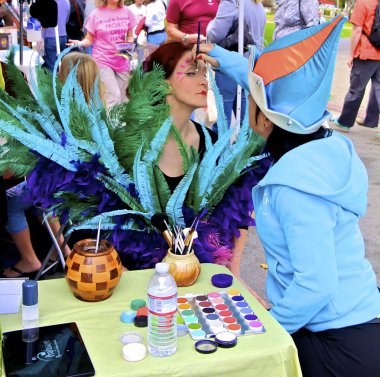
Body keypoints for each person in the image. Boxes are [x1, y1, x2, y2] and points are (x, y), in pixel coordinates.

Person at [195, 14, 380, 376]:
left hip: (337, 341)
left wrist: (267, 329)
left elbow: (317, 284)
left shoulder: (295, 187)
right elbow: (273, 91)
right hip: (355, 319)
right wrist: (222, 55)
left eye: (254, 100)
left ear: (266, 121)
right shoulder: (324, 147)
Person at [67, 0, 136, 109]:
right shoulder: (96, 14)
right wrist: (80, 43)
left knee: (123, 97)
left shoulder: (127, 11)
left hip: (122, 60)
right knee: (113, 95)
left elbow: (130, 35)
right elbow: (89, 39)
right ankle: (111, 125)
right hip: (102, 60)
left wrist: (126, 50)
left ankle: (120, 121)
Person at [207, 0, 266, 126]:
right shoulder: (257, 4)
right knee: (246, 122)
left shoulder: (232, 2)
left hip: (229, 66)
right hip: (250, 67)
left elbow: (215, 35)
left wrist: (210, 25)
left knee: (222, 124)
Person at [333, 0, 380, 132]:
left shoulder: (363, 2)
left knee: (356, 89)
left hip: (366, 53)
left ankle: (345, 122)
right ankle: (370, 120)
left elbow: (356, 31)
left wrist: (350, 55)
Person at [42, 0, 71, 71]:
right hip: (63, 36)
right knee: (61, 64)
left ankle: (52, 81)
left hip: (50, 37)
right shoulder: (66, 2)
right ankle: (61, 81)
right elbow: (66, 20)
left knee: (51, 66)